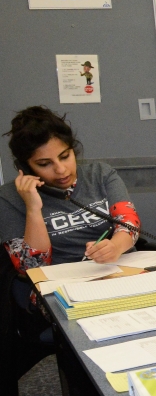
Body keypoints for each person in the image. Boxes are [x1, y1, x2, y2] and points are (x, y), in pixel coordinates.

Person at [0, 106, 141, 273]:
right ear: (26, 167)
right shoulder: (9, 198)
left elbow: (129, 222)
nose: (61, 170)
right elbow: (31, 268)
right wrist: (33, 209)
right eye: (44, 164)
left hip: (120, 269)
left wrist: (115, 247)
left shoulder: (101, 174)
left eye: (65, 156)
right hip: (62, 282)